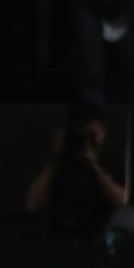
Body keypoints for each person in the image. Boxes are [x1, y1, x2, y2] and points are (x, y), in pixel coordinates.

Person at [25, 101, 126, 242]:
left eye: (93, 134)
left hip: (100, 239)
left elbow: (123, 203)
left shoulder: (111, 162)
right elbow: (32, 205)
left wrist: (94, 168)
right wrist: (55, 160)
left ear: (104, 131)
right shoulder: (59, 163)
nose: (88, 141)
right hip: (60, 240)